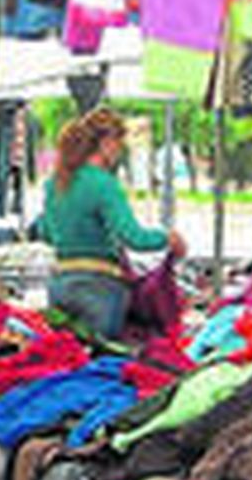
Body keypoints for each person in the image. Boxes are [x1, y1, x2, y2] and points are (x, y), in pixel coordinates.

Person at [40, 108, 185, 338]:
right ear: (107, 142)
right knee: (101, 363)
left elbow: (45, 232)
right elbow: (133, 237)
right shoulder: (104, 184)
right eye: (119, 143)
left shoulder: (54, 183)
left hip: (59, 286)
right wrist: (167, 238)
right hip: (98, 289)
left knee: (67, 360)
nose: (120, 151)